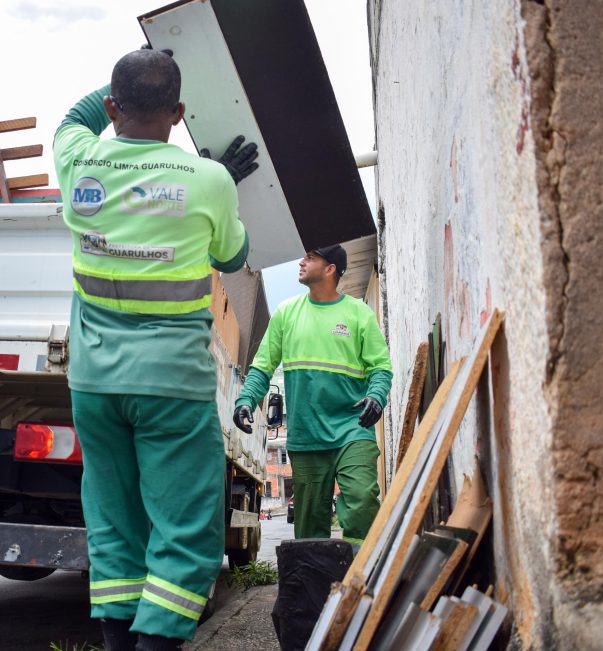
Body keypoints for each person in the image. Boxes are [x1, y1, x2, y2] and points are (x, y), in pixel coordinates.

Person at [53, 48, 258, 651]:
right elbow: (233, 257)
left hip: (95, 385)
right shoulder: (209, 180)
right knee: (185, 531)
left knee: (114, 526)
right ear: (180, 112)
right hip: (173, 386)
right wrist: (213, 179)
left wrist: (134, 74)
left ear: (113, 105)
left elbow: (74, 117)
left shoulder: (78, 160)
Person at [232, 245, 393, 546]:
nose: (302, 262)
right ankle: (314, 575)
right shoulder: (286, 313)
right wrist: (246, 400)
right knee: (309, 523)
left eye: (311, 257)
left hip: (352, 428)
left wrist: (377, 395)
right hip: (307, 434)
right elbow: (262, 366)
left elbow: (381, 367)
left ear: (330, 269)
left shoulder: (358, 313)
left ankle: (357, 569)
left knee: (362, 499)